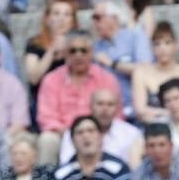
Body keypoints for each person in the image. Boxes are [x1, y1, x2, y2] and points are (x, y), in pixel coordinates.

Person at [36, 29, 119, 165]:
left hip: (98, 133)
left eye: (83, 50)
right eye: (73, 51)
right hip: (62, 135)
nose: (78, 55)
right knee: (47, 140)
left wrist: (91, 132)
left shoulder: (106, 79)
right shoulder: (51, 79)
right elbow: (46, 118)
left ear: (91, 52)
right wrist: (71, 134)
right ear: (65, 54)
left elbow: (116, 115)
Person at [91, 0, 149, 118]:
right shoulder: (95, 46)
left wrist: (112, 64)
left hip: (135, 111)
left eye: (98, 17)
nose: (94, 22)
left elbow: (146, 70)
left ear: (115, 17)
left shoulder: (136, 37)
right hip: (105, 115)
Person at [56, 88, 142, 168]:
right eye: (100, 104)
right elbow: (66, 164)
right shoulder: (76, 131)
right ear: (91, 106)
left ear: (117, 108)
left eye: (110, 104)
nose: (104, 109)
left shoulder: (132, 133)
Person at [132, 22, 179, 126]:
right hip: (152, 126)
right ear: (151, 48)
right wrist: (172, 112)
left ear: (175, 45)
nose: (162, 48)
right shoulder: (141, 73)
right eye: (157, 44)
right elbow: (140, 110)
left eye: (167, 43)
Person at [23, 0, 77, 99]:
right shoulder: (34, 43)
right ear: (47, 19)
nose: (61, 19)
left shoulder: (80, 44)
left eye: (67, 14)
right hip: (42, 98)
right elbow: (33, 78)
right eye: (56, 14)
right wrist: (52, 50)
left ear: (73, 21)